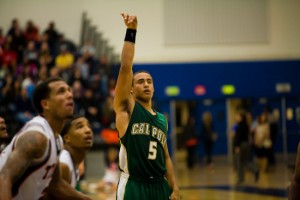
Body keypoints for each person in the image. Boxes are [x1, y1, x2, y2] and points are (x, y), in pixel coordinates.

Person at [113, 13, 180, 200]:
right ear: (131, 89)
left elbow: (166, 157)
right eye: (141, 81)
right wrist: (131, 31)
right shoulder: (127, 109)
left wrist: (174, 188)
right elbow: (126, 68)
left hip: (159, 185)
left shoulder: (161, 119)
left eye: (149, 81)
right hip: (135, 185)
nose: (146, 84)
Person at [0, 77, 91, 200]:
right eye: (61, 91)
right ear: (45, 104)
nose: (69, 95)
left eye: (69, 90)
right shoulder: (37, 137)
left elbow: (56, 185)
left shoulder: (57, 139)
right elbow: (4, 178)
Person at [59, 115, 93, 189]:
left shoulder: (73, 164)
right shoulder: (63, 165)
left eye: (89, 126)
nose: (88, 130)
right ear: (67, 138)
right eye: (80, 127)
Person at [233, 111, 259, 184]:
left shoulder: (240, 125)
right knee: (245, 161)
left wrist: (237, 146)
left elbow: (239, 137)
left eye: (237, 116)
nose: (236, 117)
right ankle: (255, 170)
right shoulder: (246, 125)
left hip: (241, 145)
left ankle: (241, 178)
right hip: (246, 144)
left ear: (241, 117)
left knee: (240, 162)